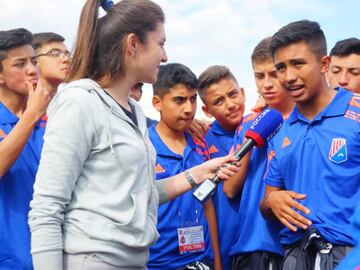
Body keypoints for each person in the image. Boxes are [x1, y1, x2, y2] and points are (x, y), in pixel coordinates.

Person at [28, 1, 238, 270]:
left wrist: (200, 172)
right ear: (133, 45)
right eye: (161, 43)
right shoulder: (80, 102)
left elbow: (144, 193)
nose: (164, 56)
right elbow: (46, 208)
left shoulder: (135, 112)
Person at [260, 20, 360, 269]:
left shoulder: (356, 113)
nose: (289, 76)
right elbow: (268, 199)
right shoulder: (282, 131)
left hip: (349, 255)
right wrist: (272, 202)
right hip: (295, 256)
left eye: (298, 64)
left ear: (324, 65)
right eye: (280, 67)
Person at [224, 37, 294, 270]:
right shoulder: (248, 123)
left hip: (294, 244)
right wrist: (251, 139)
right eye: (259, 76)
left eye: (273, 74)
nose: (266, 84)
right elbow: (230, 188)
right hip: (250, 244)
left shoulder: (306, 121)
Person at [147, 63, 221, 270]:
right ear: (157, 102)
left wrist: (216, 261)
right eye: (179, 100)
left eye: (193, 99)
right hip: (157, 264)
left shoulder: (201, 144)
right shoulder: (143, 148)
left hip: (201, 260)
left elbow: (208, 205)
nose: (189, 108)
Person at [0, 28, 52, 270]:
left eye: (33, 61)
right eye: (19, 64)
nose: (32, 70)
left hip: (52, 253)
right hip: (11, 258)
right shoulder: (35, 115)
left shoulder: (49, 121)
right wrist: (32, 114)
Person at [197, 65, 245, 270]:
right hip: (222, 248)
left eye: (233, 94)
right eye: (219, 101)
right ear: (207, 110)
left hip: (261, 245)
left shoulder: (264, 128)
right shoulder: (199, 140)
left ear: (242, 93)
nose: (231, 104)